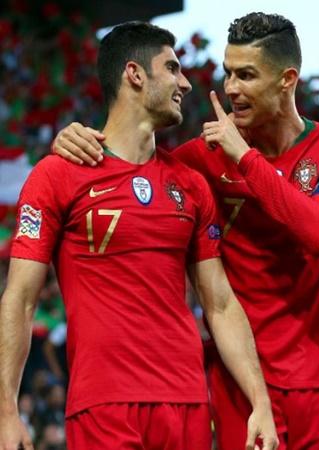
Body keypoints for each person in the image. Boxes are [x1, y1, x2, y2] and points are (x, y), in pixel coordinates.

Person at [52, 12, 319, 449]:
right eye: (228, 73)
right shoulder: (199, 161)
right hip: (237, 382)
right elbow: (133, 164)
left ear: (287, 80)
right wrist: (72, 139)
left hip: (316, 375)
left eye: (246, 75)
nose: (231, 88)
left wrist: (246, 160)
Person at [0, 21, 277, 450]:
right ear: (134, 74)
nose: (185, 83)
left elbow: (220, 303)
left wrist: (260, 400)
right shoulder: (58, 175)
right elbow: (20, 299)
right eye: (172, 68)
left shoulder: (190, 184)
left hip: (187, 402)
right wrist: (6, 411)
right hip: (104, 404)